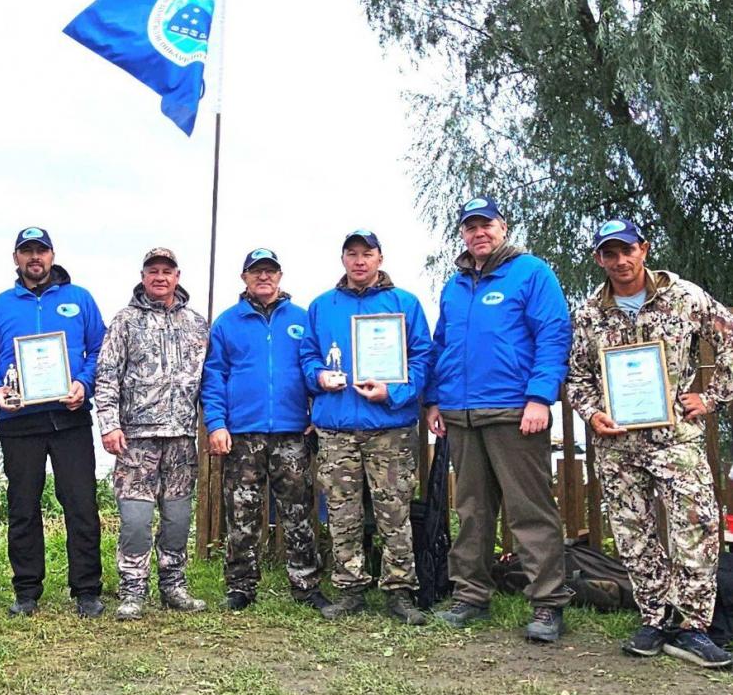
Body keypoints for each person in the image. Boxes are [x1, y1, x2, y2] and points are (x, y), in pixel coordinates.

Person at [566, 218, 733, 667]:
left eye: (627, 250)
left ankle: (694, 628)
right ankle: (653, 619)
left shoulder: (686, 297)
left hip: (675, 439)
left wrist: (713, 396)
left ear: (644, 249)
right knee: (633, 535)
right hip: (618, 445)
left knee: (694, 530)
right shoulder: (588, 314)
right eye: (609, 253)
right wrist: (591, 412)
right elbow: (577, 377)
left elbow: (730, 336)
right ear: (599, 259)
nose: (620, 261)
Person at [424, 196, 572, 643]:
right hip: (461, 416)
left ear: (502, 227)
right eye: (470, 227)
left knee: (529, 511)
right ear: (463, 235)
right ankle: (470, 595)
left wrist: (540, 397)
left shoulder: (531, 273)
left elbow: (553, 334)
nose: (478, 233)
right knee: (471, 511)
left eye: (485, 224)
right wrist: (434, 399)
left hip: (515, 412)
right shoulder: (454, 285)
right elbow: (441, 345)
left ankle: (547, 603)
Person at [0, 226, 106, 618]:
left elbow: (101, 349)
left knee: (80, 504)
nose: (35, 258)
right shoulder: (0, 306)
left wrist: (84, 383)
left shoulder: (79, 299)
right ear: (16, 258)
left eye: (41, 251)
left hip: (71, 418)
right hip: (19, 422)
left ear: (52, 255)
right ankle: (26, 591)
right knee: (23, 506)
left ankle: (87, 590)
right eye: (26, 251)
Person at [300, 229, 432, 624]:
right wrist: (320, 377)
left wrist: (393, 391)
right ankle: (349, 587)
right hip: (337, 427)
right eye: (352, 254)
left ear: (380, 258)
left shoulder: (404, 303)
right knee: (342, 512)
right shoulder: (322, 306)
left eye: (367, 253)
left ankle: (400, 591)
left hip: (388, 426)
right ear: (343, 259)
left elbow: (423, 358)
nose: (359, 261)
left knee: (395, 510)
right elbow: (307, 356)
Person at [201, 248, 328, 611]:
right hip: (243, 435)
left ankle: (306, 586)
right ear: (244, 278)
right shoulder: (227, 323)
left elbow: (316, 369)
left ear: (280, 276)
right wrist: (216, 424)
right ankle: (241, 587)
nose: (263, 277)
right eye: (256, 272)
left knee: (299, 512)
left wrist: (316, 412)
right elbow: (214, 378)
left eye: (270, 271)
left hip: (292, 433)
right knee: (242, 514)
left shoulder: (303, 320)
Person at [95, 247, 210, 621]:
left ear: (178, 276)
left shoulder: (196, 323)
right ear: (143, 277)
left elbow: (210, 380)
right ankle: (132, 590)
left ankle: (173, 586)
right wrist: (109, 424)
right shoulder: (125, 321)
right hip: (135, 440)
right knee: (136, 521)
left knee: (177, 519)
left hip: (181, 439)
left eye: (167, 271)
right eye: (152, 271)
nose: (159, 277)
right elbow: (107, 376)